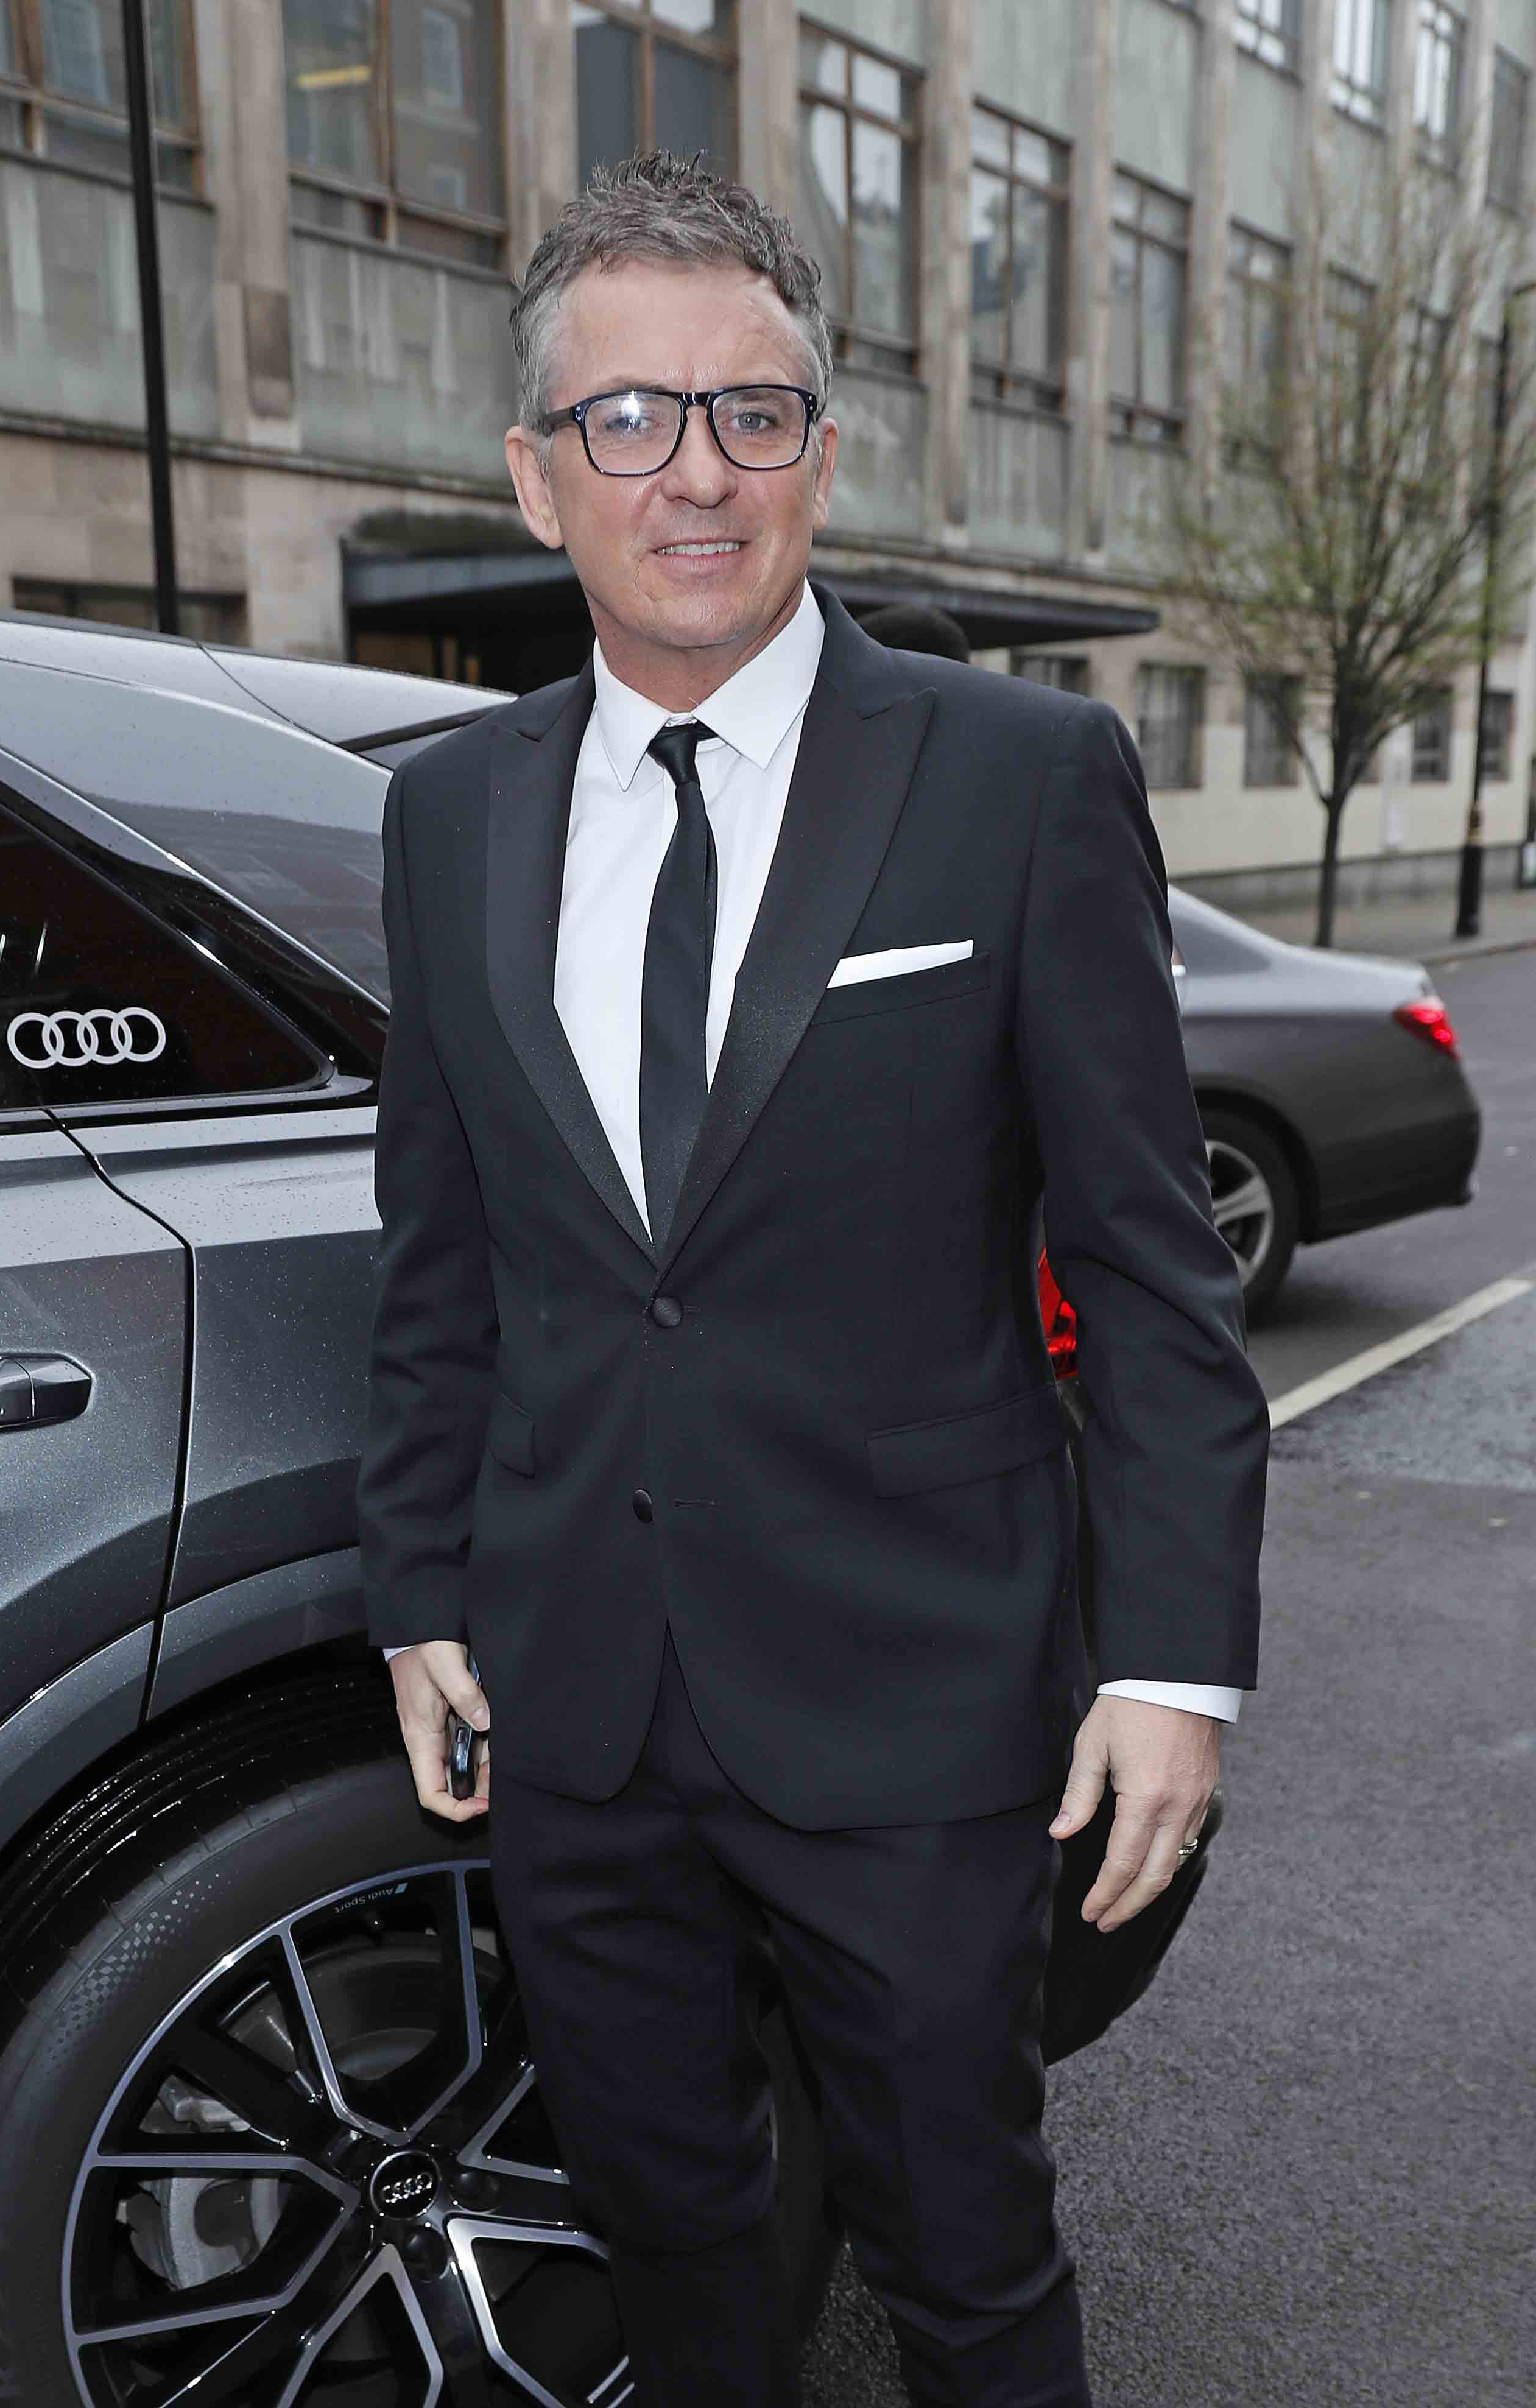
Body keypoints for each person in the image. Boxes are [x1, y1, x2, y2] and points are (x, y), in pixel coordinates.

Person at [359, 152, 1268, 2408]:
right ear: (536, 474)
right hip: (576, 1704)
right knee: (667, 2237)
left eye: (748, 413)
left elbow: (1150, 1262)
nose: (694, 472)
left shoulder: (1018, 777)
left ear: (819, 456)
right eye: (628, 417)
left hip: (919, 1700)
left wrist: (1171, 1665)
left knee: (961, 2252)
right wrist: (419, 1586)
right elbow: (445, 1250)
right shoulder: (449, 812)